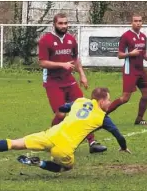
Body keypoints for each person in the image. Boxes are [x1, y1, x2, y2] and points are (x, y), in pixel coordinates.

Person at [0, 88, 131, 173]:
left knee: (15, 143)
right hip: (64, 148)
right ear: (101, 101)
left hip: (50, 134)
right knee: (66, 168)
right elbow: (117, 134)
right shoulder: (103, 117)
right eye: (108, 99)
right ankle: (39, 163)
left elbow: (63, 107)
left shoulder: (80, 101)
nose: (109, 102)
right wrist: (123, 147)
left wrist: (64, 110)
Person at [38, 13, 107, 152]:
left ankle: (92, 142)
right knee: (61, 114)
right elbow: (42, 63)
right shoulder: (45, 40)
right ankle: (49, 139)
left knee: (85, 109)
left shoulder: (71, 39)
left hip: (69, 81)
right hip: (53, 82)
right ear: (54, 24)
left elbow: (75, 59)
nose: (64, 26)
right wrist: (62, 65)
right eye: (61, 24)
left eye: (65, 23)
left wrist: (82, 74)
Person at [106, 14, 147, 126]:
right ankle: (103, 114)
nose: (138, 23)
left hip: (141, 70)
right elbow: (119, 55)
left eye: (140, 21)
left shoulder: (143, 37)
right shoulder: (126, 36)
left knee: (146, 94)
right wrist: (130, 54)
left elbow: (143, 52)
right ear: (131, 23)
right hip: (130, 70)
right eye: (135, 21)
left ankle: (139, 119)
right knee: (125, 98)